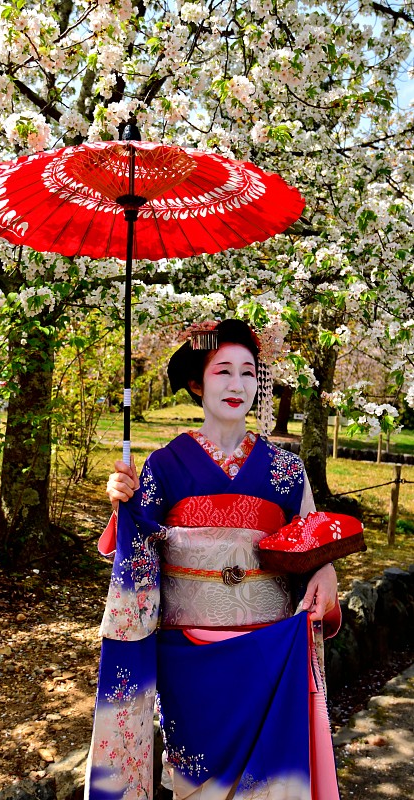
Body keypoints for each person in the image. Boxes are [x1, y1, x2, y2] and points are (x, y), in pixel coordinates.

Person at [85, 319, 341, 800]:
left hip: (268, 647)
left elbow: (311, 544)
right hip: (190, 655)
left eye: (248, 372)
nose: (237, 384)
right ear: (197, 383)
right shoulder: (166, 464)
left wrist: (325, 567)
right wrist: (123, 502)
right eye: (223, 371)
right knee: (197, 785)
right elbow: (136, 546)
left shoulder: (287, 470)